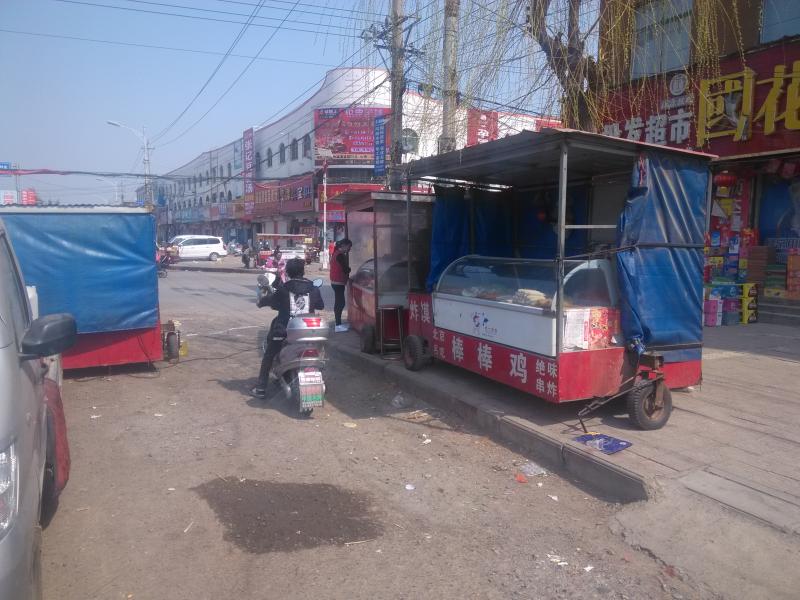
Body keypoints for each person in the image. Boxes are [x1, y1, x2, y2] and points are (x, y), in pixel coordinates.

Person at [252, 258, 324, 398]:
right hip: (309, 331)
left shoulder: (283, 288)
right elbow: (320, 305)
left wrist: (261, 302)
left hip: (284, 331)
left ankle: (261, 388)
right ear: (303, 271)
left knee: (269, 354)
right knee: (319, 354)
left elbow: (272, 301)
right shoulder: (313, 288)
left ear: (288, 272)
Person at [330, 238, 352, 332]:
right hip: (338, 282)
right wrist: (350, 269)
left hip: (335, 281)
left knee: (339, 302)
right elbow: (346, 269)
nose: (349, 250)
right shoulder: (340, 255)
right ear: (344, 246)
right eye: (349, 247)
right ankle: (338, 325)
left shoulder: (336, 253)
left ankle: (338, 324)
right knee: (340, 303)